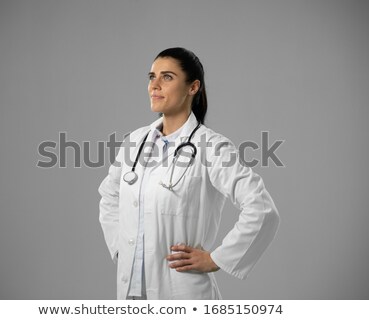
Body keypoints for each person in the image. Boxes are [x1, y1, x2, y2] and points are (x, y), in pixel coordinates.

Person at [99, 47, 280, 300]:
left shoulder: (212, 147)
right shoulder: (135, 141)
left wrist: (217, 258)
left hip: (182, 294)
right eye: (152, 77)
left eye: (167, 77)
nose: (155, 85)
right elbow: (109, 196)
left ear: (192, 87)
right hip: (131, 292)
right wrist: (122, 248)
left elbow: (261, 209)